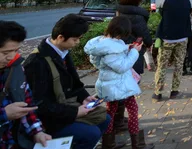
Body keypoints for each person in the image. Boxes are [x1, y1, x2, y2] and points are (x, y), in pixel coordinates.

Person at [24, 15, 111, 149]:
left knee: (105, 119)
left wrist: (84, 97)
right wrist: (75, 112)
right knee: (91, 134)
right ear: (60, 37)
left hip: (65, 108)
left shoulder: (63, 51)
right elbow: (40, 104)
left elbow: (75, 83)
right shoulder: (37, 62)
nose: (77, 43)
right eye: (75, 39)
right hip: (47, 121)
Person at [84, 17, 154, 149]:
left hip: (109, 84)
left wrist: (128, 48)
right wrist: (134, 52)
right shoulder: (111, 47)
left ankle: (109, 143)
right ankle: (136, 144)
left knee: (111, 112)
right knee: (132, 110)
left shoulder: (101, 43)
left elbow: (112, 56)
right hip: (120, 84)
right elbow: (122, 66)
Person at [0, 21, 52, 149]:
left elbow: (26, 104)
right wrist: (4, 114)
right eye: (5, 53)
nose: (11, 57)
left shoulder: (16, 69)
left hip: (11, 141)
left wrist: (37, 132)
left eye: (16, 50)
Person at [113, 0, 153, 132]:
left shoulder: (119, 11)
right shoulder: (136, 16)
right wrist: (149, 43)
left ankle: (118, 117)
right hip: (132, 53)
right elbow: (145, 35)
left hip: (119, 52)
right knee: (128, 86)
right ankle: (118, 122)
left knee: (121, 86)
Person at [153, 0, 192, 101]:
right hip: (182, 37)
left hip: (167, 38)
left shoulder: (167, 0)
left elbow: (162, 15)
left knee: (162, 65)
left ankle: (158, 92)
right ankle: (174, 91)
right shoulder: (188, 1)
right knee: (179, 64)